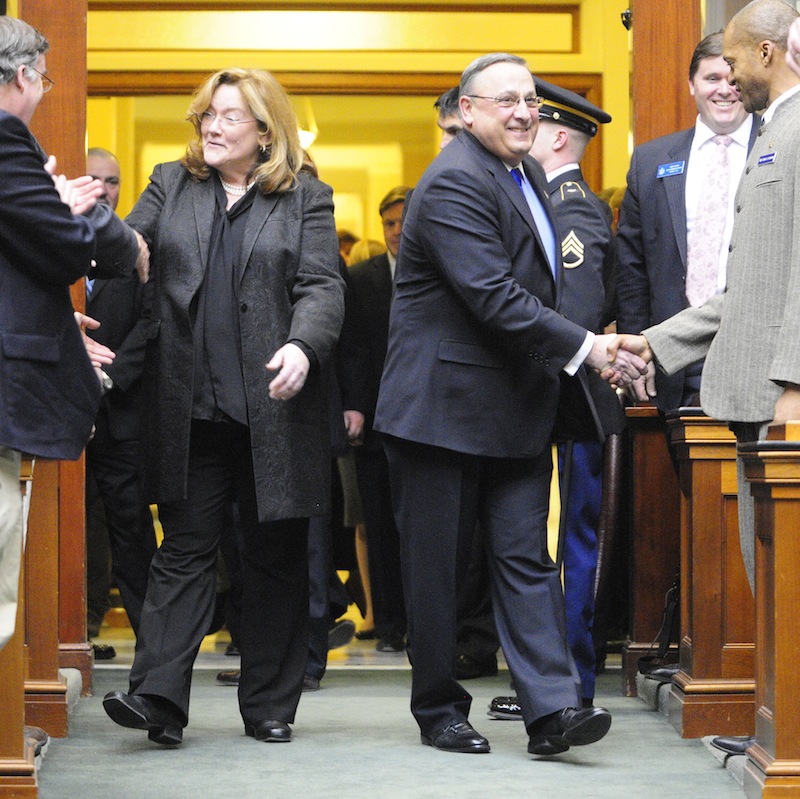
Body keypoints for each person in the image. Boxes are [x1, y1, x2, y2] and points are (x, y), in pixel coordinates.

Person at [373, 53, 641, 756]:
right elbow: (493, 295)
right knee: (438, 570)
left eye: (530, 101)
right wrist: (588, 348)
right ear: (467, 111)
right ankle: (437, 709)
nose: (524, 112)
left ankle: (552, 710)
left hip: (517, 407)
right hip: (442, 413)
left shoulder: (521, 174)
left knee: (526, 557)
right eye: (505, 101)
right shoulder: (456, 181)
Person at [101, 68, 345, 746]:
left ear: (265, 132)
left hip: (275, 408)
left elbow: (322, 288)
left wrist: (302, 346)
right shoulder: (170, 183)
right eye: (207, 113)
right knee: (183, 550)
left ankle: (268, 704)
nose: (211, 125)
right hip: (191, 409)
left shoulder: (306, 198)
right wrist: (97, 224)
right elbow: (131, 244)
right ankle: (156, 698)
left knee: (273, 556)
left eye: (229, 116)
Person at [612, 0, 800, 758]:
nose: (728, 78)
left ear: (765, 52)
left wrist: (793, 379)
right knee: (773, 582)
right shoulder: (774, 135)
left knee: (785, 581)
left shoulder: (793, 132)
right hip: (753, 396)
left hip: (781, 397)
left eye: (733, 62)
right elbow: (747, 287)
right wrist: (651, 342)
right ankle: (782, 731)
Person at [0, 15, 144, 654]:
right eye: (45, 79)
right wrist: (67, 208)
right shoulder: (6, 137)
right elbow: (62, 256)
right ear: (25, 74)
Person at [489, 79, 624, 720]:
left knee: (570, 544)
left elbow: (573, 311)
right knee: (549, 543)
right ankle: (552, 682)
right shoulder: (544, 203)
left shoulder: (569, 208)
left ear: (560, 136)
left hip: (572, 403)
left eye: (534, 123)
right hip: (557, 403)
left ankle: (570, 684)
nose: (521, 128)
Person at [616, 31, 758, 412]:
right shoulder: (649, 162)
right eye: (712, 79)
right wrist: (637, 352)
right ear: (691, 83)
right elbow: (632, 270)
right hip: (672, 366)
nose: (724, 90)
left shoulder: (780, 147)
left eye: (733, 80)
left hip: (758, 362)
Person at [84, 147, 157, 659]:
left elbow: (152, 324)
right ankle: (74, 630)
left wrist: (106, 375)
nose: (105, 190)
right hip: (58, 413)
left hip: (119, 412)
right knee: (66, 527)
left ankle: (153, 645)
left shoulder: (136, 251)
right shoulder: (48, 241)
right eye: (94, 179)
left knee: (129, 529)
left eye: (113, 181)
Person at [340, 186, 410, 654]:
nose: (398, 232)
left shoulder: (438, 270)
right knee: (379, 527)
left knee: (421, 531)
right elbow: (353, 349)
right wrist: (356, 407)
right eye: (389, 224)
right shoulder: (362, 278)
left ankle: (425, 625)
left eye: (405, 222)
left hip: (428, 423)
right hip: (375, 423)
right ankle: (387, 624)